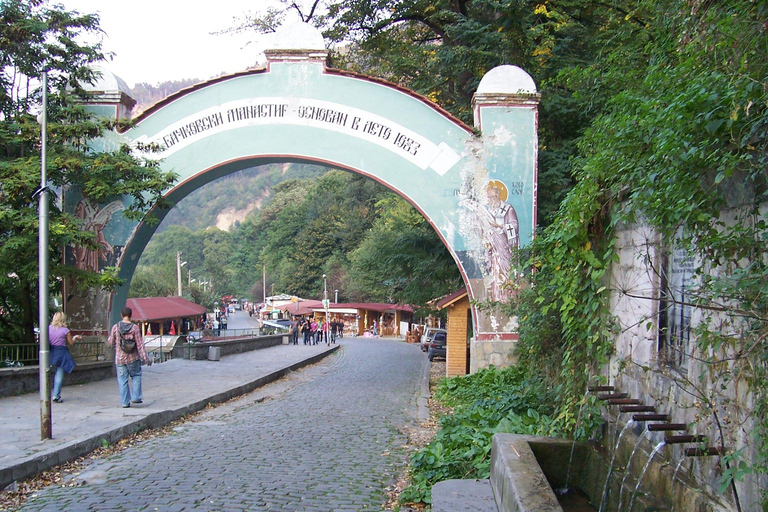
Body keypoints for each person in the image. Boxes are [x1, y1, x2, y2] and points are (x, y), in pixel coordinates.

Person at [107, 307, 151, 408]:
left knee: (122, 380)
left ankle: (124, 402)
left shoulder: (116, 327)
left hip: (120, 359)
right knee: (136, 376)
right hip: (133, 358)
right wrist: (146, 358)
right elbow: (140, 345)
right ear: (131, 315)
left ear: (122, 315)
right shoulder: (134, 328)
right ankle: (136, 397)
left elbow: (110, 341)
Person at [48, 312, 82, 403]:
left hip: (52, 352)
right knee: (59, 375)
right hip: (62, 353)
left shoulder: (48, 329)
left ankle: (49, 394)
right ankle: (55, 395)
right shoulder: (65, 330)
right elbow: (71, 343)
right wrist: (75, 337)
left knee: (53, 373)